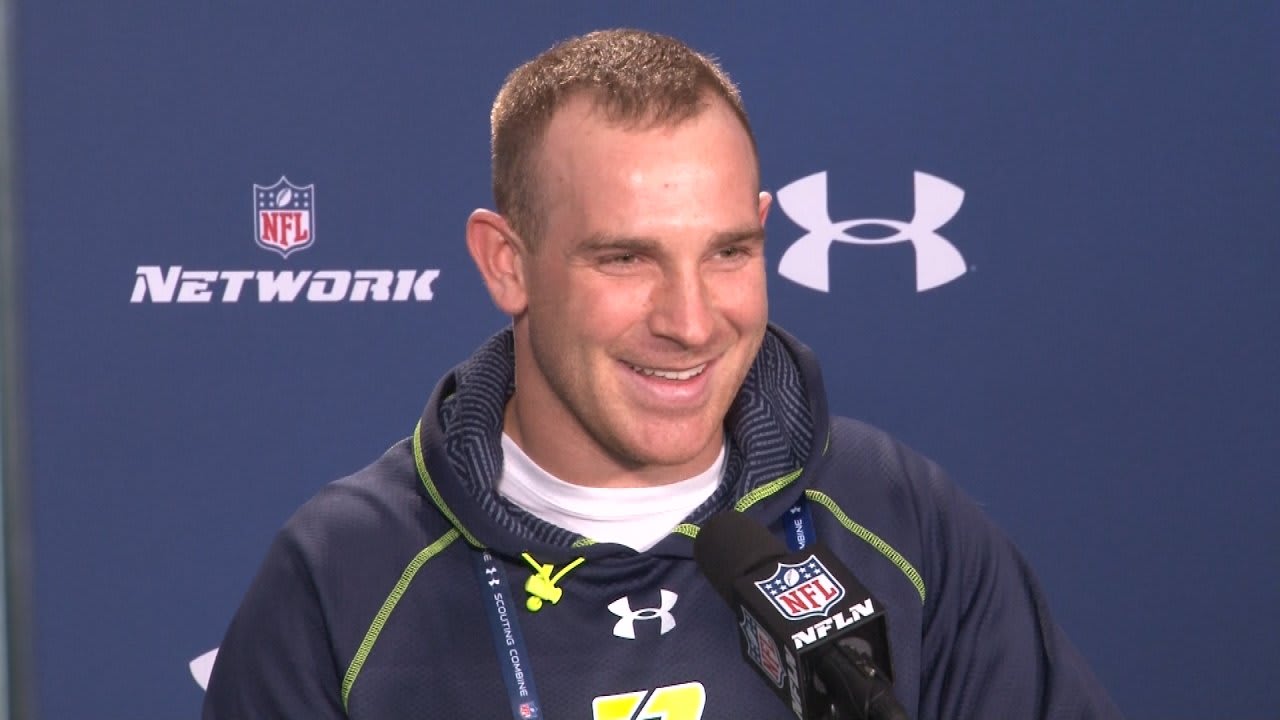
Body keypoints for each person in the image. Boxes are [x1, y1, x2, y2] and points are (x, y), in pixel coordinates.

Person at [204, 29, 1122, 719]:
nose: (691, 322)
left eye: (729, 251)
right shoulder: (343, 578)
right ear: (506, 264)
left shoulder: (899, 520)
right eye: (625, 260)